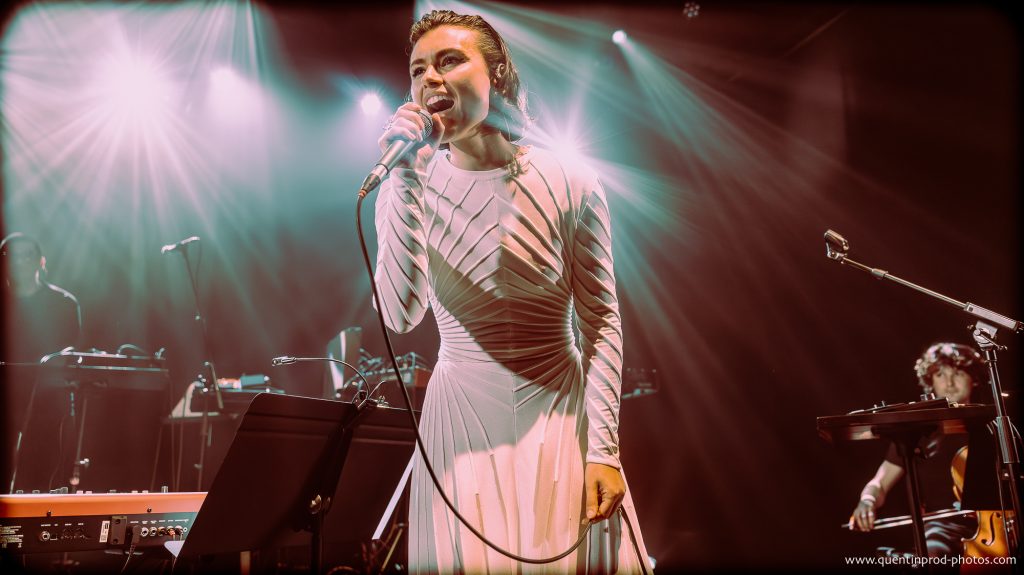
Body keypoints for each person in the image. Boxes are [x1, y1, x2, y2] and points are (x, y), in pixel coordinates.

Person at [372, 10, 651, 573]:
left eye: (450, 60)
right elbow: (400, 317)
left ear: (496, 76)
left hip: (559, 414)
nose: (430, 78)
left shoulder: (572, 180)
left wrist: (604, 450)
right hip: (459, 422)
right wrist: (405, 180)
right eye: (418, 69)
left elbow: (601, 323)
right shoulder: (406, 183)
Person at [848, 342, 989, 558]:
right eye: (940, 375)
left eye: (958, 373)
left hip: (996, 524)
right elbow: (879, 484)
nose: (949, 383)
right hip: (943, 529)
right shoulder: (919, 434)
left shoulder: (992, 426)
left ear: (975, 379)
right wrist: (867, 500)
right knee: (933, 555)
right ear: (930, 382)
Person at [2, 232, 82, 492]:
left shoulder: (63, 303)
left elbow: (72, 354)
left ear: (41, 261)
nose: (19, 262)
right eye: (11, 256)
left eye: (27, 255)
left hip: (46, 405)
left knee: (40, 478)